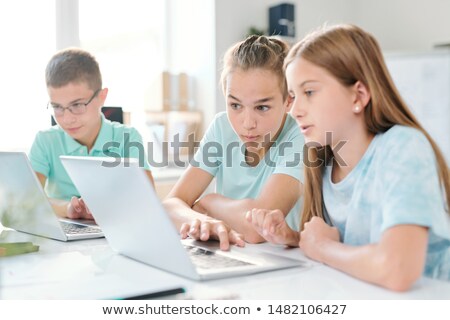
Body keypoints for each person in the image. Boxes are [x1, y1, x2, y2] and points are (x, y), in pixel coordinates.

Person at [246, 24, 450, 291]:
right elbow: (355, 249)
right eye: (293, 96)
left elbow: (398, 268)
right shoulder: (323, 164)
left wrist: (322, 247)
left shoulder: (403, 147)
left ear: (358, 95)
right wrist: (297, 238)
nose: (295, 110)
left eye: (309, 92)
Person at [163, 35, 304, 250]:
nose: (247, 123)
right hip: (233, 254)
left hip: (284, 264)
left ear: (288, 101)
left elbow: (259, 228)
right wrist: (201, 221)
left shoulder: (300, 136)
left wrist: (210, 202)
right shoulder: (222, 127)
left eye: (262, 107)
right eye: (235, 105)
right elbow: (171, 204)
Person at [29, 48, 153, 220]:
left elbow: (147, 200)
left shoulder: (128, 138)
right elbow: (27, 200)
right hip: (65, 227)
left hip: (117, 227)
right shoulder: (45, 141)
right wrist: (68, 209)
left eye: (78, 105)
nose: (67, 119)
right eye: (57, 107)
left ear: (102, 97)